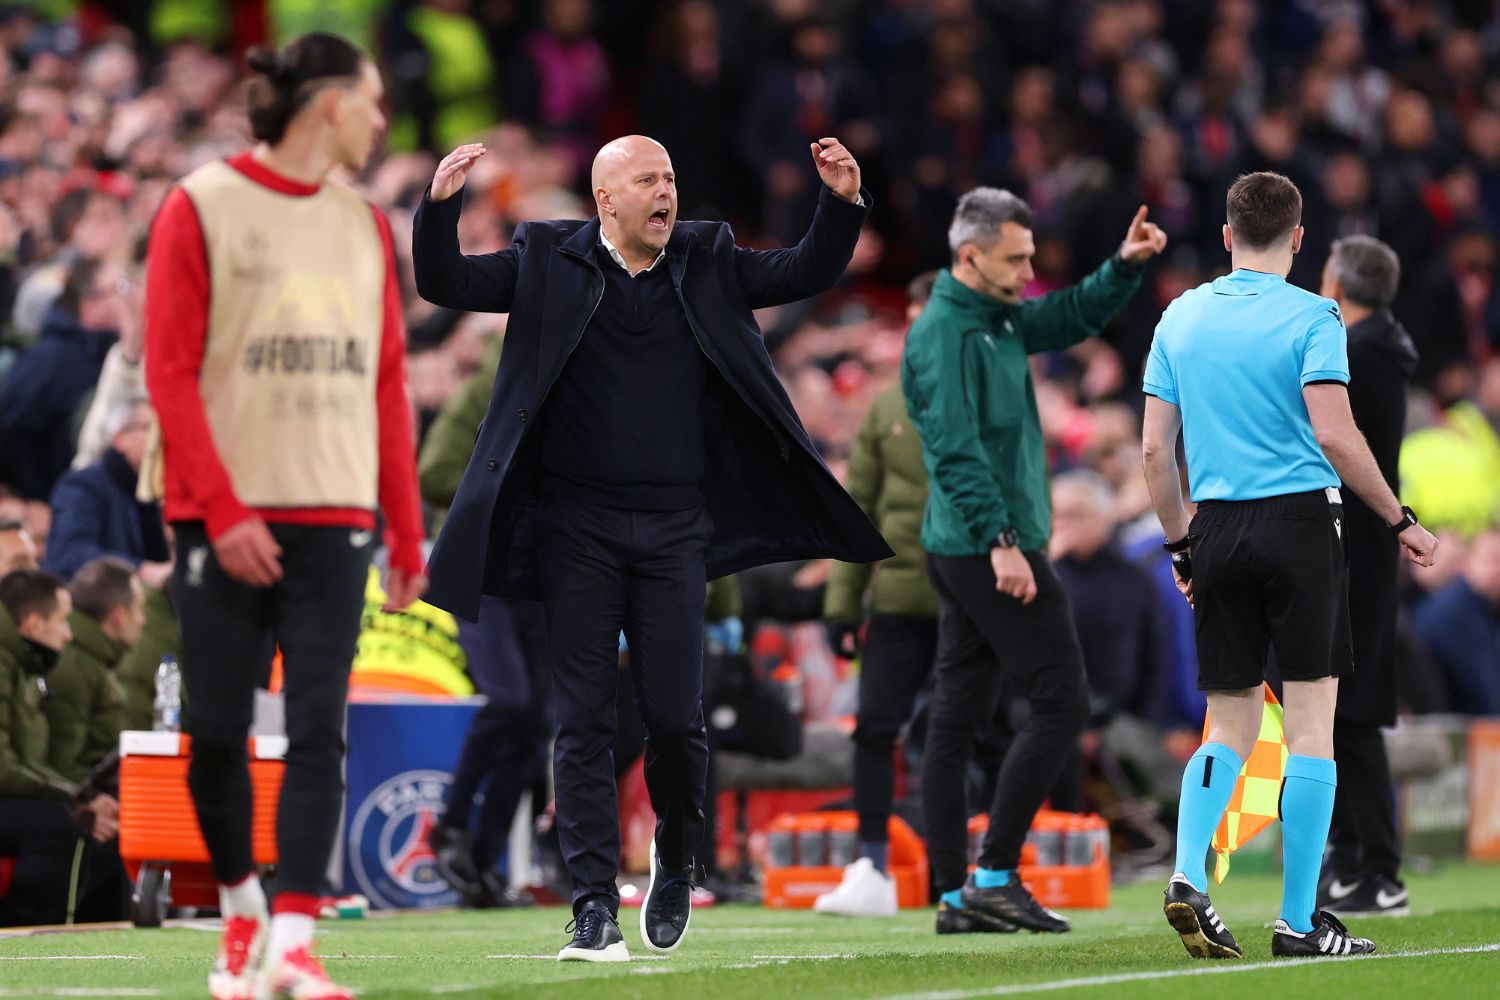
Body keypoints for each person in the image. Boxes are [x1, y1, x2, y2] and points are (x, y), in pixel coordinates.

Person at [413, 132, 889, 961]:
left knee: (674, 718)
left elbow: (803, 271)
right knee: (583, 720)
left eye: (670, 177)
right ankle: (592, 905)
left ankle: (676, 854)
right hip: (576, 528)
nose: (665, 192)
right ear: (605, 199)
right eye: (646, 180)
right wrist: (439, 206)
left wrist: (841, 202)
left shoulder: (707, 256)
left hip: (675, 528)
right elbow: (445, 282)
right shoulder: (546, 258)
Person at [143, 34, 426, 1000]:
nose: (380, 121)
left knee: (318, 733)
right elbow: (169, 373)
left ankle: (294, 943)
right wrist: (222, 511)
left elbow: (387, 385)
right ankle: (241, 909)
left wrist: (405, 527)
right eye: (371, 101)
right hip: (220, 513)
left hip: (335, 509)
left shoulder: (366, 225)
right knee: (217, 735)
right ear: (327, 104)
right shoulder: (200, 204)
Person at [1141, 171, 1437, 962]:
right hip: (1301, 524)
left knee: (1230, 722)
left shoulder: (1180, 315)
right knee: (1310, 725)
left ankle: (1187, 874)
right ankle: (1299, 921)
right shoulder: (1315, 316)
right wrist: (1399, 519)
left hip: (1216, 526)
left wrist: (1180, 544)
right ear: (1300, 238)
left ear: (1227, 234)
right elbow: (1335, 435)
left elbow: (1154, 452)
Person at [901, 188, 1165, 935]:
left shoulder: (998, 316)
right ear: (969, 256)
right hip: (988, 545)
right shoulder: (944, 333)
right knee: (1062, 704)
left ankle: (955, 896)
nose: (1027, 273)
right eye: (1015, 260)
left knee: (955, 720)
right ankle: (993, 874)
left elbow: (1069, 316)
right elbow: (954, 450)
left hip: (975, 543)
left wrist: (1122, 266)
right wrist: (1002, 541)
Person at [814, 271, 945, 921]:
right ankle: (872, 864)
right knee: (874, 729)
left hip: (968, 598)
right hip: (897, 599)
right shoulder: (886, 410)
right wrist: (842, 602)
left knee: (963, 730)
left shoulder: (992, 397)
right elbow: (857, 509)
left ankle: (967, 863)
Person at [417, 336, 551, 909]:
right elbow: (434, 473)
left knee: (539, 719)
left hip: (540, 573)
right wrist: (508, 490)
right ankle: (449, 826)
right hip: (480, 569)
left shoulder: (576, 388)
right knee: (510, 699)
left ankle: (484, 860)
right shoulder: (483, 390)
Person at [1313, 235, 1419, 917]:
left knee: (1349, 709)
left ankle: (1378, 867)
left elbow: (1330, 438)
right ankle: (1350, 857)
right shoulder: (1381, 349)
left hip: (1355, 550)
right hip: (1360, 547)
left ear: (1339, 288)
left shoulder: (1359, 355)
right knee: (1338, 709)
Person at [0, 569, 125, 927]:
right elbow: (4, 769)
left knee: (108, 830)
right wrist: (74, 799)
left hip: (14, 796)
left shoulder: (21, 667)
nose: (69, 634)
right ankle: (21, 931)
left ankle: (99, 940)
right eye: (62, 621)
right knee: (59, 823)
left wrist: (82, 797)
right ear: (34, 624)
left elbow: (24, 763)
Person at [42, 397, 171, 583]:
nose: (161, 437)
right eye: (151, 427)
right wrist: (142, 570)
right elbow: (71, 552)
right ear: (119, 438)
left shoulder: (147, 490)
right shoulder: (82, 485)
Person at [44, 557, 139, 786]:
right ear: (119, 616)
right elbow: (62, 761)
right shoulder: (75, 665)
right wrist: (91, 798)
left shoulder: (94, 657)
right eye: (139, 611)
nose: (143, 621)